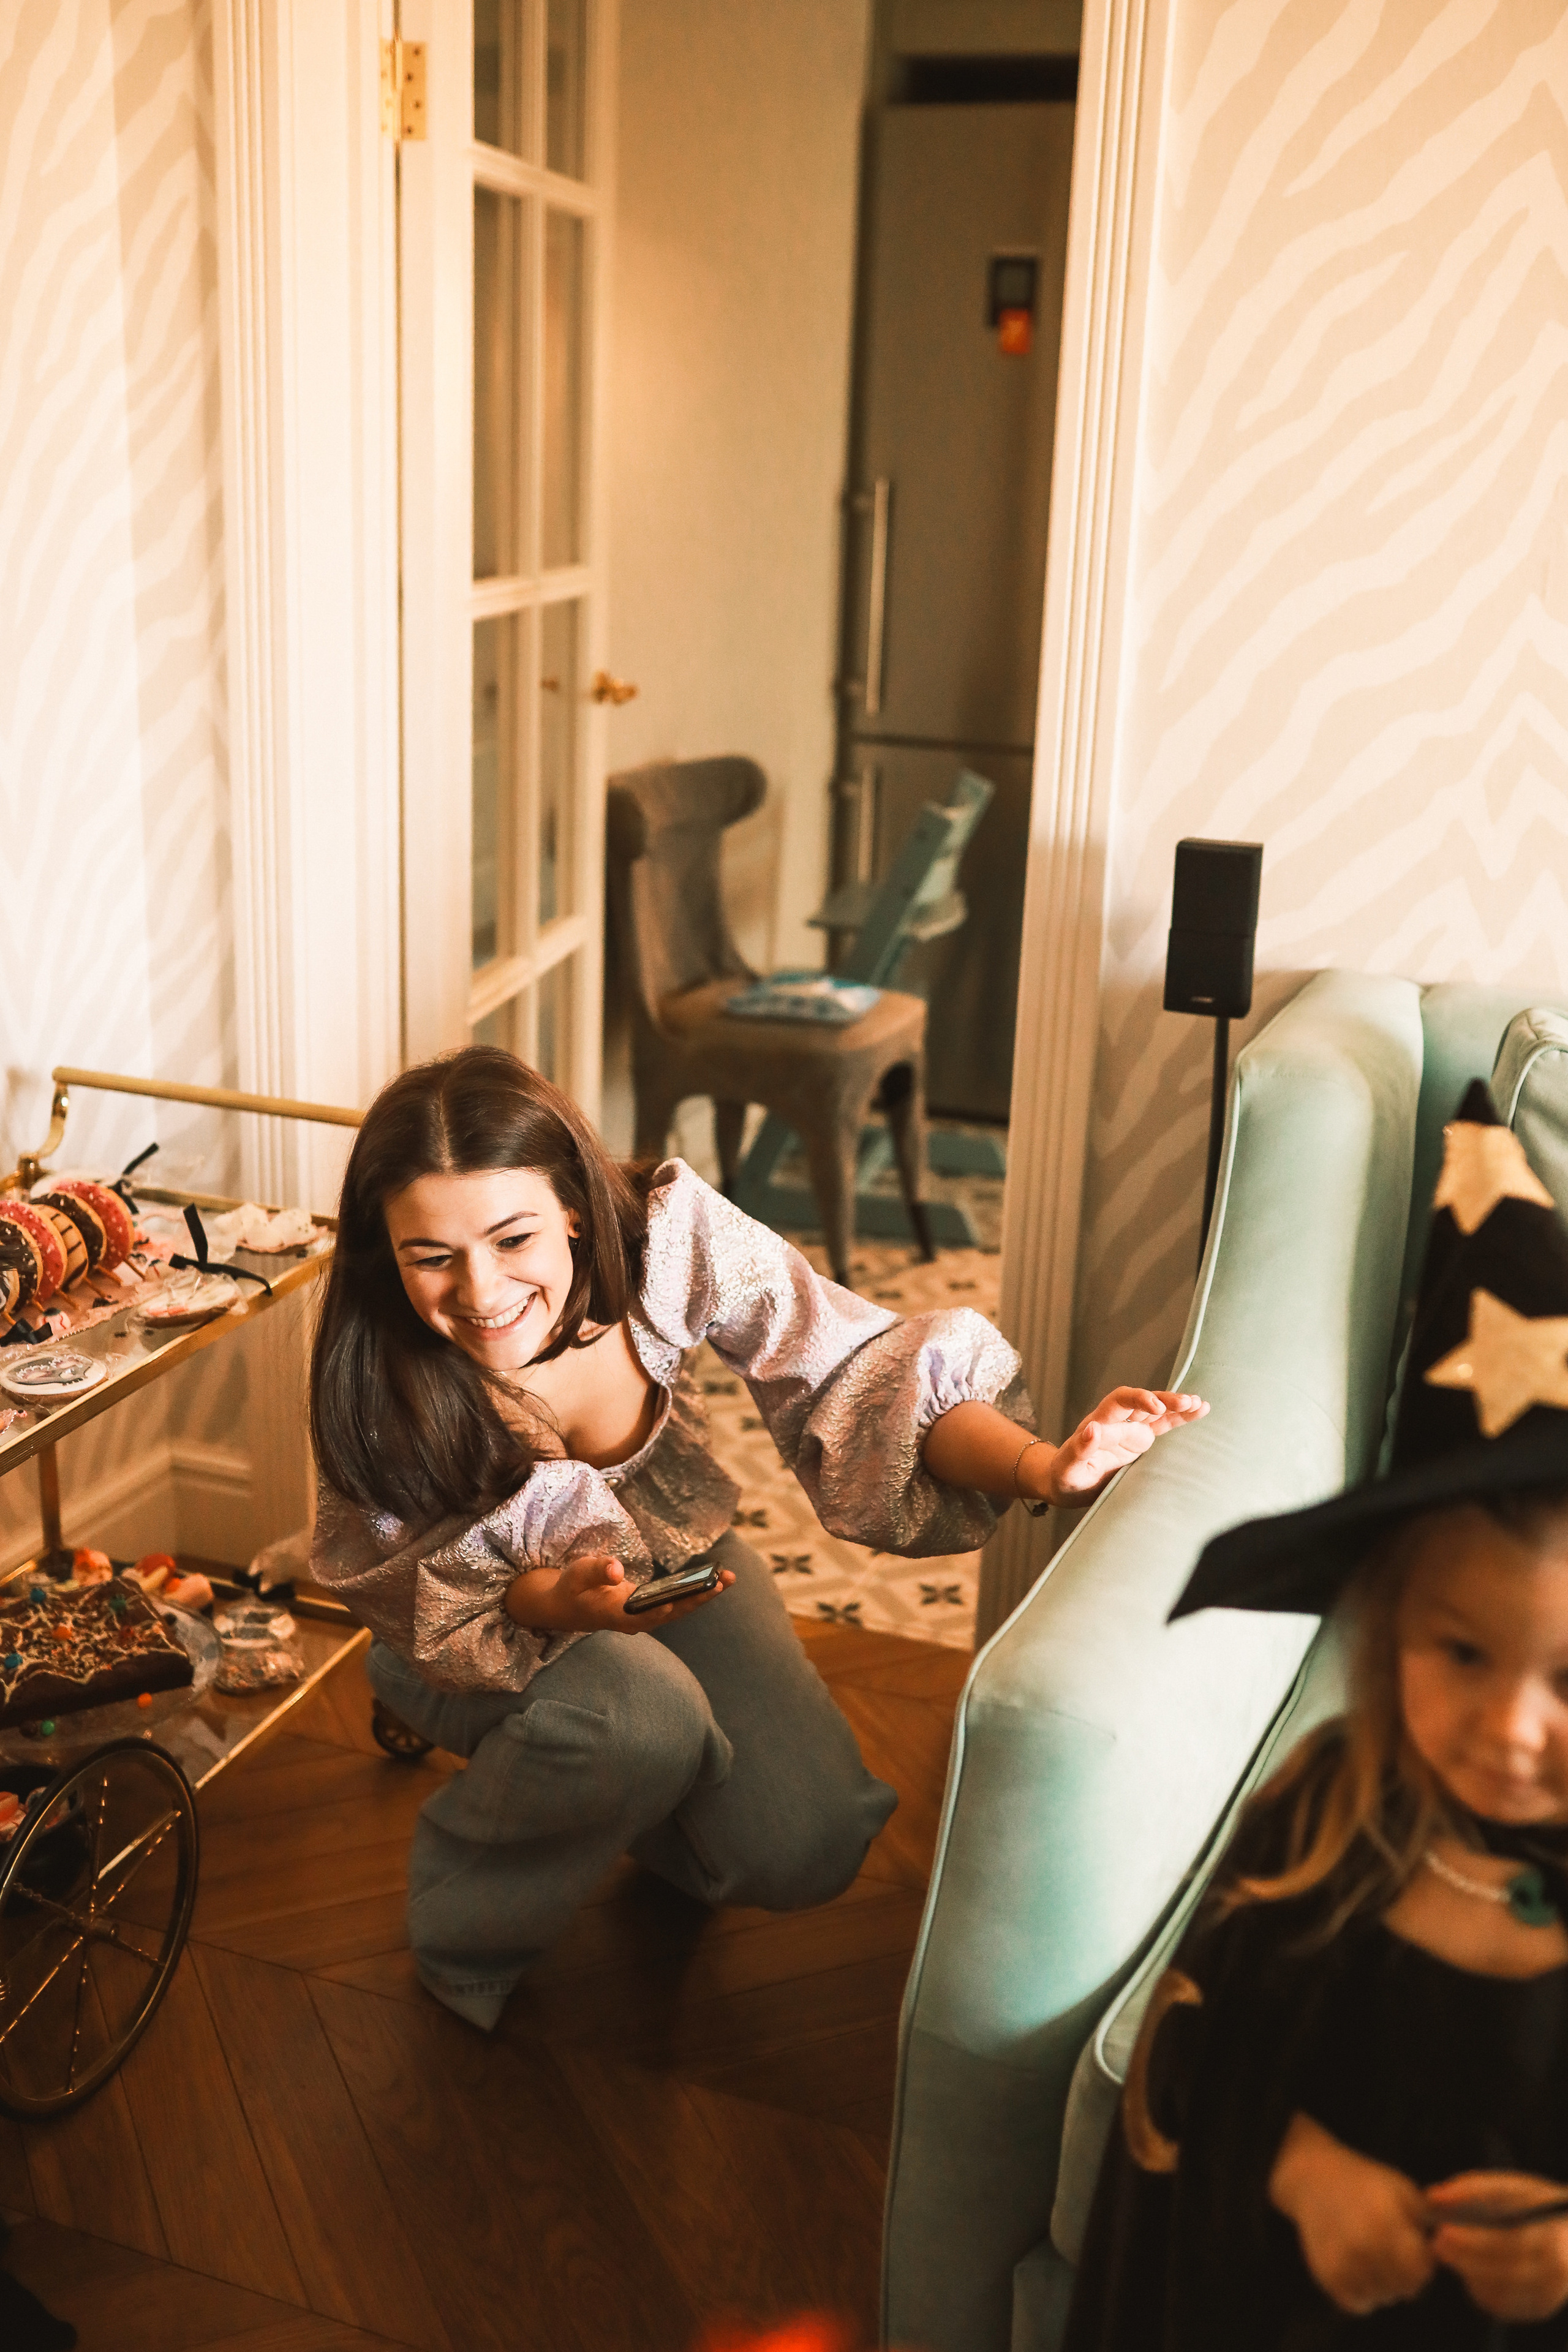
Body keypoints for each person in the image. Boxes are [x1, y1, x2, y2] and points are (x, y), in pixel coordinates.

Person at [307, 1046, 1206, 2030]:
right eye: (430, 1256)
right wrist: (559, 1604)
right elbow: (438, 1584)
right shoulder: (378, 1361)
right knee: (639, 1721)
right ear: (388, 1254)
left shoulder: (668, 1238)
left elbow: (861, 1370)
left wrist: (1046, 1466)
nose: (479, 1292)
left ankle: (607, 1780)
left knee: (806, 1845)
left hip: (677, 1567)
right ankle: (464, 1920)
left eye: (512, 1238)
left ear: (572, 1206)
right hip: (474, 1623)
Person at [1066, 1081, 1568, 2350]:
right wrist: (1297, 2170)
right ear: (1388, 1622)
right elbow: (1189, 2071)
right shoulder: (1319, 1817)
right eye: (1461, 1652)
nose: (1511, 1730)